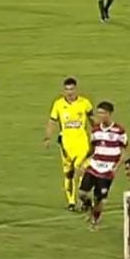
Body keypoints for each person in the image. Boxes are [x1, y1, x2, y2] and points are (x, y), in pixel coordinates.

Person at [44, 77, 94, 210]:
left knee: (81, 169)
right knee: (68, 173)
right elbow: (52, 121)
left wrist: (98, 134)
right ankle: (71, 202)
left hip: (82, 143)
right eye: (67, 89)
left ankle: (84, 200)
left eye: (72, 89)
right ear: (63, 90)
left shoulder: (84, 103)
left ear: (76, 89)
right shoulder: (58, 104)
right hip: (66, 145)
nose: (69, 92)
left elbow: (92, 119)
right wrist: (47, 137)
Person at [77, 101, 128, 230]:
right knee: (82, 193)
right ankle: (89, 208)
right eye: (98, 113)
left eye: (103, 113)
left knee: (99, 199)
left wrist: (116, 167)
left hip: (107, 170)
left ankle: (95, 220)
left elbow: (124, 152)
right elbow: (92, 149)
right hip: (93, 166)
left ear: (109, 114)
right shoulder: (95, 130)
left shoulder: (119, 130)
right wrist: (83, 163)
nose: (100, 115)